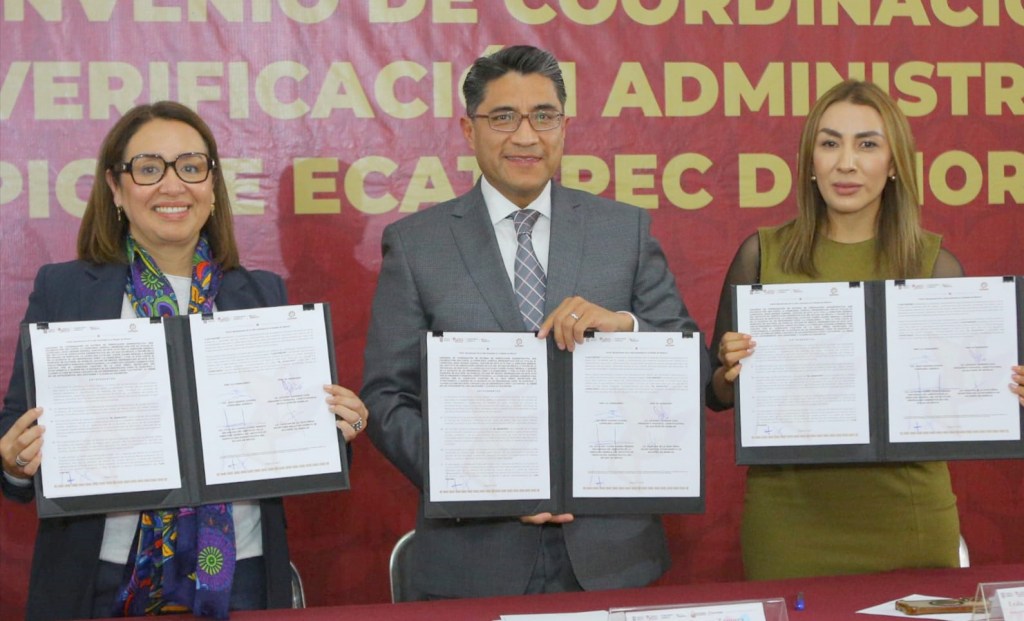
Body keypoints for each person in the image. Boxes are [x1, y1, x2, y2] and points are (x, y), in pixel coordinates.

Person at [361, 45, 708, 599]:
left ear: (564, 127)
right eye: (504, 117)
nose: (526, 136)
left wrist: (627, 328)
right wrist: (481, 483)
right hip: (474, 557)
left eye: (543, 116)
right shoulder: (417, 245)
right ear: (469, 130)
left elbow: (695, 367)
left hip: (611, 556)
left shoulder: (624, 232)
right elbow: (386, 397)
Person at [0, 101, 369, 620]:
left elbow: (293, 445)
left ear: (212, 186)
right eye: (149, 169)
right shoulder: (65, 291)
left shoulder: (261, 296)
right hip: (97, 578)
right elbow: (15, 441)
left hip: (239, 573)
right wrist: (15, 461)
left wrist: (335, 428)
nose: (173, 185)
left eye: (191, 167)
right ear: (115, 187)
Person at [706, 79, 1024, 580]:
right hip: (789, 523)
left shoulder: (935, 266)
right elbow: (716, 394)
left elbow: (962, 398)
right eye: (830, 143)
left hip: (910, 520)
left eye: (867, 144)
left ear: (894, 164)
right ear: (809, 161)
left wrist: (1003, 390)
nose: (846, 163)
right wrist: (730, 370)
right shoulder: (761, 256)